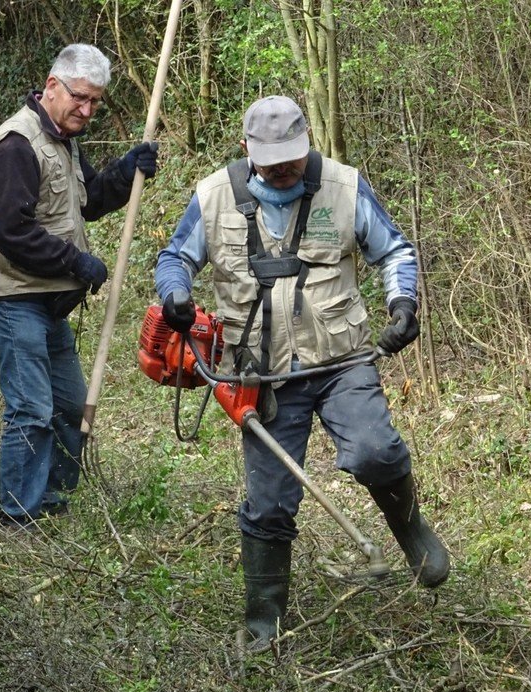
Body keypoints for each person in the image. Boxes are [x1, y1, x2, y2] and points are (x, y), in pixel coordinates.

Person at [154, 95, 450, 649]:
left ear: (307, 142)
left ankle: (411, 531)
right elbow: (174, 259)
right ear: (246, 149)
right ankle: (262, 624)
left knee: (375, 451)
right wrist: (175, 296)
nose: (283, 168)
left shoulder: (343, 186)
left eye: (292, 156)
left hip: (342, 361)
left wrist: (403, 304)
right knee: (268, 506)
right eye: (270, 160)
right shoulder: (214, 195)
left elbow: (396, 253)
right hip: (260, 375)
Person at [0, 43, 158, 528]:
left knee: (72, 405)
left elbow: (88, 203)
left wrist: (125, 172)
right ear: (52, 86)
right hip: (14, 297)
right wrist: (75, 261)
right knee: (32, 407)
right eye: (80, 98)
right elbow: (11, 232)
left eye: (96, 102)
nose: (87, 109)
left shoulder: (64, 139)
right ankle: (16, 515)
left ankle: (51, 499)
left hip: (49, 301)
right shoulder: (16, 144)